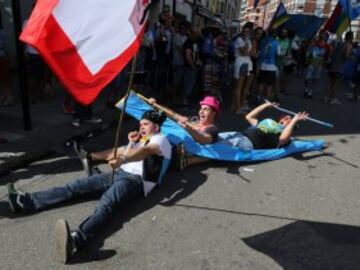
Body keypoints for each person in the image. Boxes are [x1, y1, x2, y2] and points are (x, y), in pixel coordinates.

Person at [7, 110, 172, 264]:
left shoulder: (161, 140)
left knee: (107, 202)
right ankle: (25, 202)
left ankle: (77, 239)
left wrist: (123, 159)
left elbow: (145, 152)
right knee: (76, 186)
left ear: (156, 127)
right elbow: (119, 151)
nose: (141, 126)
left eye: (146, 124)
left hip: (136, 181)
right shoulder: (138, 140)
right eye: (141, 123)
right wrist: (93, 156)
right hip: (119, 173)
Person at [222, 101, 308, 150]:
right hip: (240, 135)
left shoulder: (282, 135)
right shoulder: (269, 124)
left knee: (215, 148)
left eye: (288, 119)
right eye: (283, 117)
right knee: (213, 137)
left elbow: (282, 139)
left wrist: (294, 120)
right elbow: (249, 116)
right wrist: (265, 105)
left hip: (247, 142)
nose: (283, 118)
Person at [231, 22, 254, 114]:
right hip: (241, 63)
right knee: (239, 86)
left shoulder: (248, 40)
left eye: (248, 31)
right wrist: (246, 41)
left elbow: (252, 53)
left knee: (239, 86)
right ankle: (238, 108)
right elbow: (244, 52)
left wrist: (247, 44)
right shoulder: (240, 40)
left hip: (246, 63)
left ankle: (233, 106)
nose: (246, 33)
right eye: (244, 31)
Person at [304, 30, 330, 99]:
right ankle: (306, 89)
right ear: (319, 35)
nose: (323, 36)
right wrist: (307, 58)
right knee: (307, 78)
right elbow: (308, 50)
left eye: (324, 35)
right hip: (311, 62)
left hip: (320, 64)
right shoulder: (314, 42)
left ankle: (310, 92)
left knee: (316, 79)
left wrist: (325, 64)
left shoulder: (327, 46)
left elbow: (327, 56)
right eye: (321, 34)